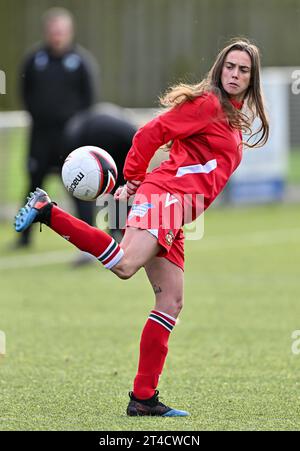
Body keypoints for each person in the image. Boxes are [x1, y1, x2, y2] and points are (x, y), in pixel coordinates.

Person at [14, 38, 269, 417]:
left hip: (177, 210)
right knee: (125, 264)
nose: (234, 74)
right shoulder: (209, 104)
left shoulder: (229, 114)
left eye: (242, 70)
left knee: (171, 301)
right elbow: (151, 133)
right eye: (229, 67)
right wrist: (133, 180)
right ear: (219, 70)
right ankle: (48, 211)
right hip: (164, 196)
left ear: (252, 79)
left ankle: (143, 398)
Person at [17, 7, 98, 248]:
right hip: (40, 137)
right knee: (33, 184)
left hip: (70, 139)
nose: (57, 36)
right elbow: (25, 92)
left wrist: (76, 126)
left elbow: (89, 98)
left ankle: (91, 237)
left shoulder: (81, 62)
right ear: (46, 32)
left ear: (69, 32)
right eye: (53, 31)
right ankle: (23, 238)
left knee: (80, 187)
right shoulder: (34, 60)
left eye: (61, 31)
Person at [64, 106, 137, 243]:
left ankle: (88, 238)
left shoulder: (75, 135)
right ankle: (118, 233)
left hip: (116, 139)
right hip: (131, 139)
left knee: (81, 191)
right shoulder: (82, 125)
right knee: (121, 189)